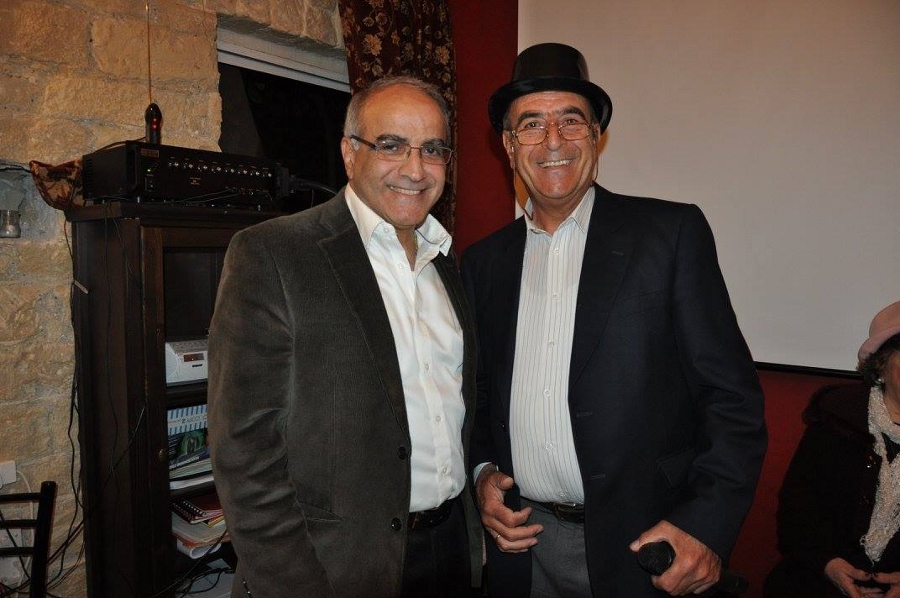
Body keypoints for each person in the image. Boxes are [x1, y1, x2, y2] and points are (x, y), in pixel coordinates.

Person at [460, 42, 767, 597]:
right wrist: (481, 474)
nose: (553, 141)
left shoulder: (670, 235)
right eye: (531, 125)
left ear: (596, 135)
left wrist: (706, 525)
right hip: (521, 549)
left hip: (644, 548)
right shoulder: (482, 263)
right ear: (508, 145)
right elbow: (477, 399)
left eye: (570, 120)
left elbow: (731, 400)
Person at [207, 75, 482, 598]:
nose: (415, 169)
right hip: (333, 567)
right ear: (350, 153)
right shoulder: (275, 254)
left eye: (432, 149)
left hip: (450, 551)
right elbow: (245, 452)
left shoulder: (447, 264)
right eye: (391, 145)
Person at [765, 301, 900, 598]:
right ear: (881, 364)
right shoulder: (838, 419)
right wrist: (829, 565)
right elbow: (797, 508)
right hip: (819, 580)